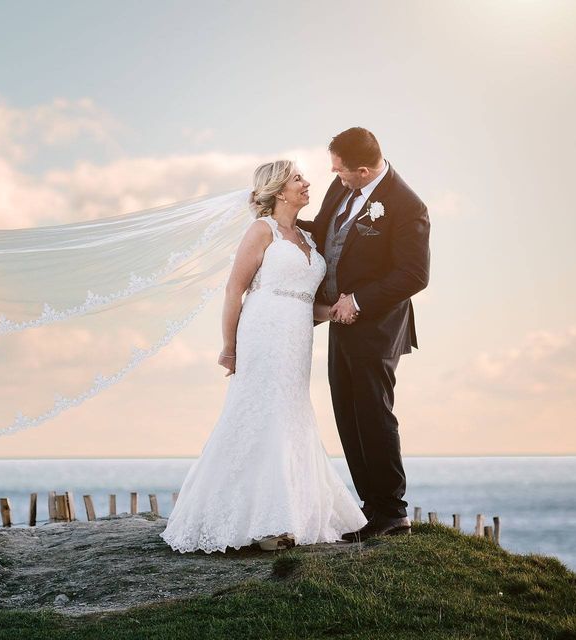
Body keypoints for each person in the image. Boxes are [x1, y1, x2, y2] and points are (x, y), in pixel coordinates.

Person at [159, 160, 367, 553]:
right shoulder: (261, 231)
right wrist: (229, 346)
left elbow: (307, 303)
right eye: (298, 179)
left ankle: (291, 513)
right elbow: (234, 291)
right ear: (278, 191)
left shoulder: (308, 239)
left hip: (297, 339)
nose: (307, 183)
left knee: (291, 413)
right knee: (261, 411)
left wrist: (338, 309)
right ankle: (267, 524)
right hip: (262, 333)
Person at [297, 127, 430, 542]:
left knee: (373, 412)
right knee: (347, 412)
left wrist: (359, 300)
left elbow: (414, 274)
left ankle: (393, 512)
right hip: (341, 322)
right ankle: (371, 507)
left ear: (362, 168)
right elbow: (323, 233)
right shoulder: (341, 192)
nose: (334, 177)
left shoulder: (407, 205)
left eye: (340, 170)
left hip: (377, 325)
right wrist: (278, 219)